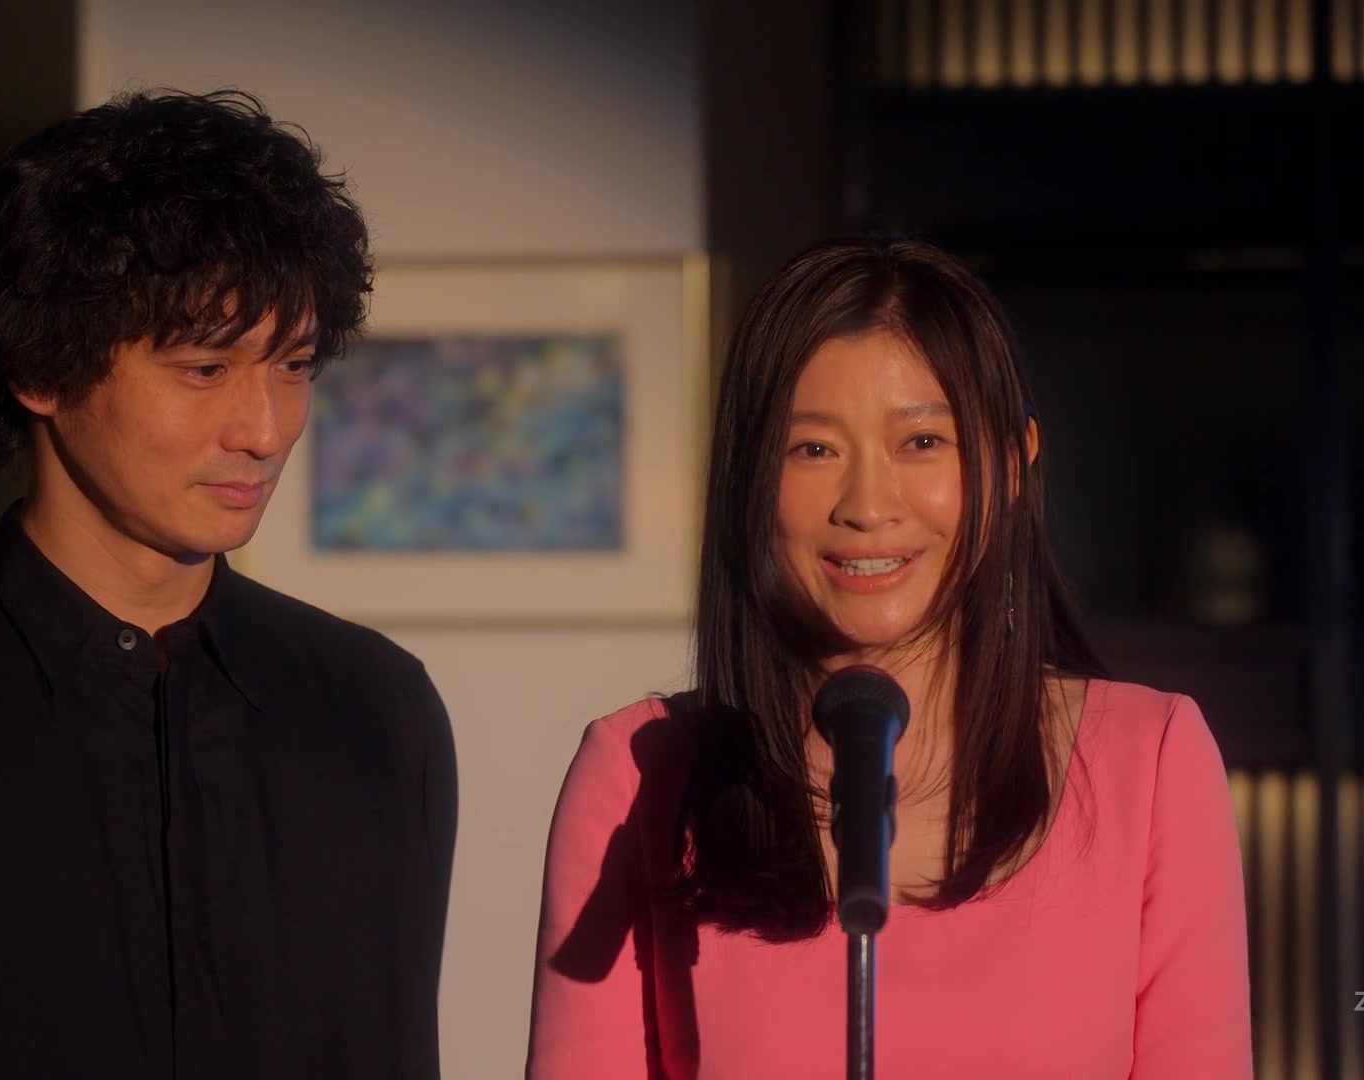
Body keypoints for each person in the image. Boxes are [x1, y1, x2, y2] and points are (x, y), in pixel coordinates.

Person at [0, 89, 457, 1077]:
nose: (267, 429)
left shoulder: (376, 710)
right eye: (205, 369)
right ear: (41, 367)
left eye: (294, 366)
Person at [526, 237, 1251, 1077]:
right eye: (813, 450)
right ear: (749, 479)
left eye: (922, 442)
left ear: (1012, 464)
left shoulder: (1151, 764)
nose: (869, 507)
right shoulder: (637, 776)